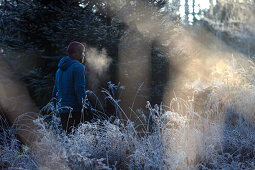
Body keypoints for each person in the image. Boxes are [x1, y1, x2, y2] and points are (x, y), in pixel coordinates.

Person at [52, 41, 92, 133]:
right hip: (75, 110)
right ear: (76, 53)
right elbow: (79, 89)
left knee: (69, 139)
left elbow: (55, 90)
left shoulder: (59, 69)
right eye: (82, 52)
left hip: (62, 111)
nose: (83, 55)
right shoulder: (78, 67)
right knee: (80, 138)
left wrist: (55, 108)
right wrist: (86, 107)